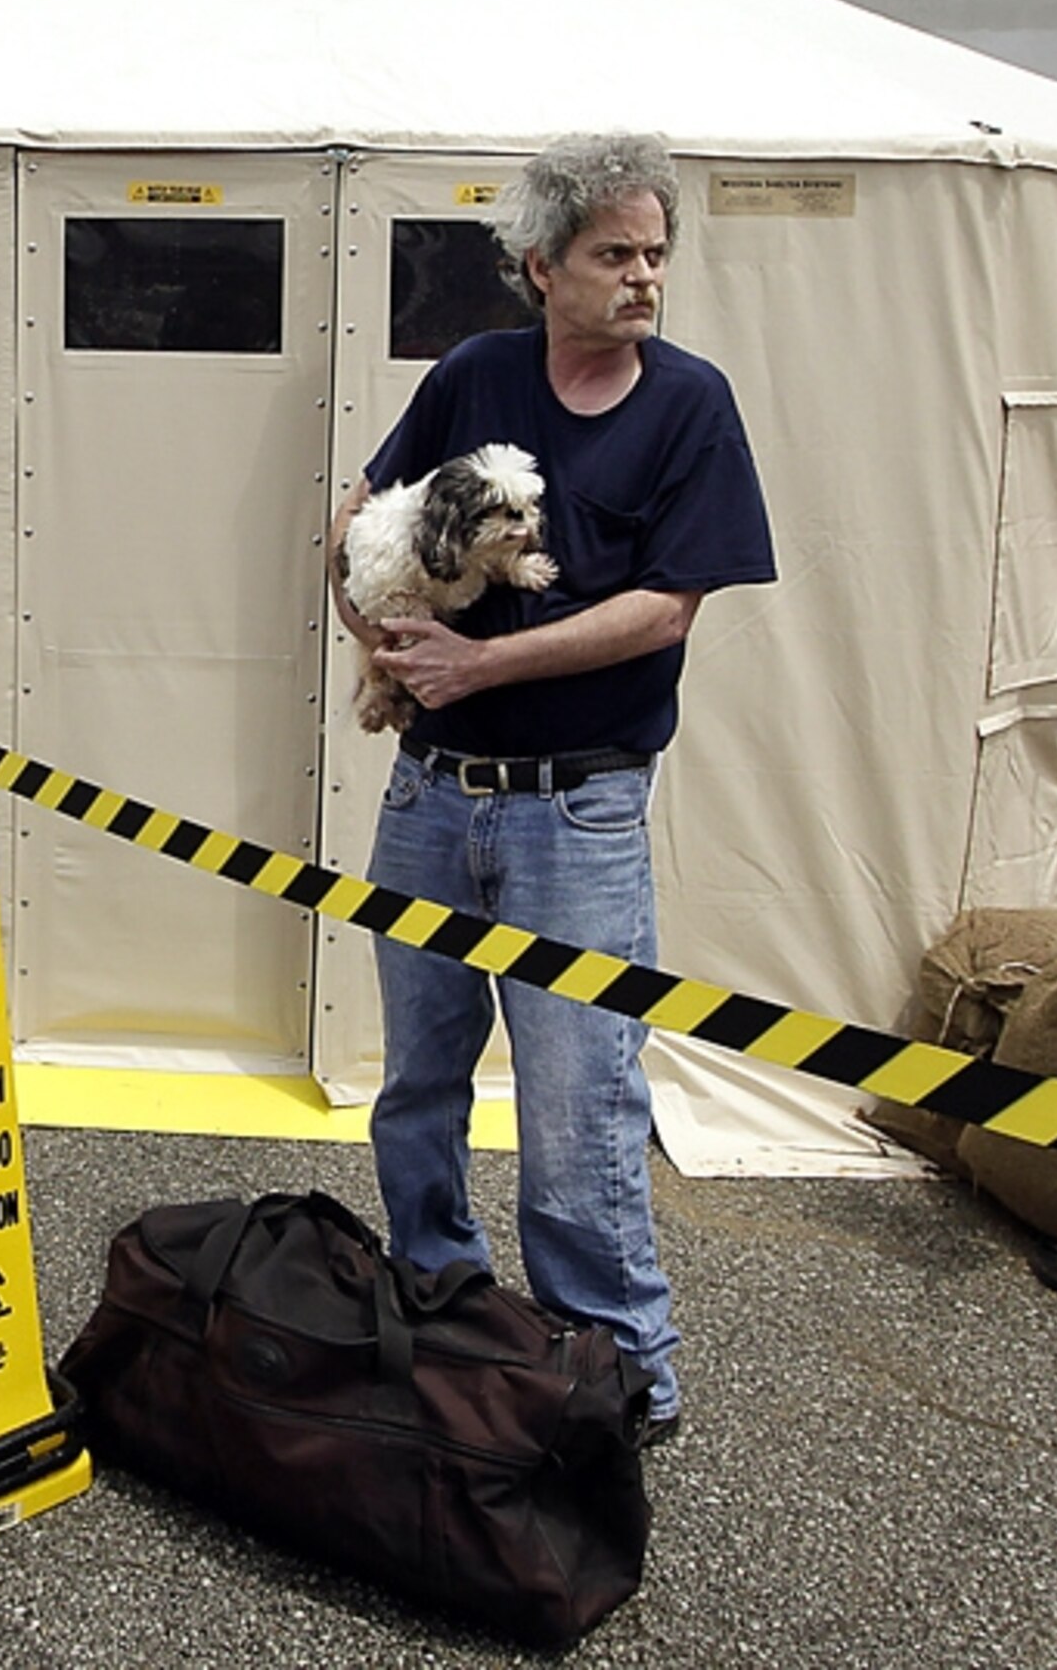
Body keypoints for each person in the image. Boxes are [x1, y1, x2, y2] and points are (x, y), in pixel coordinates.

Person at [327, 133, 775, 1445]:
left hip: (578, 811)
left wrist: (483, 658)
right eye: (613, 254)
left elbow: (666, 607)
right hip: (429, 794)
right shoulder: (474, 376)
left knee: (581, 1095)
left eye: (655, 254)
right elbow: (359, 522)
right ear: (542, 267)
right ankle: (440, 1307)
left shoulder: (689, 406)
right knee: (418, 1080)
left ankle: (621, 1376)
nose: (644, 278)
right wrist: (389, 650)